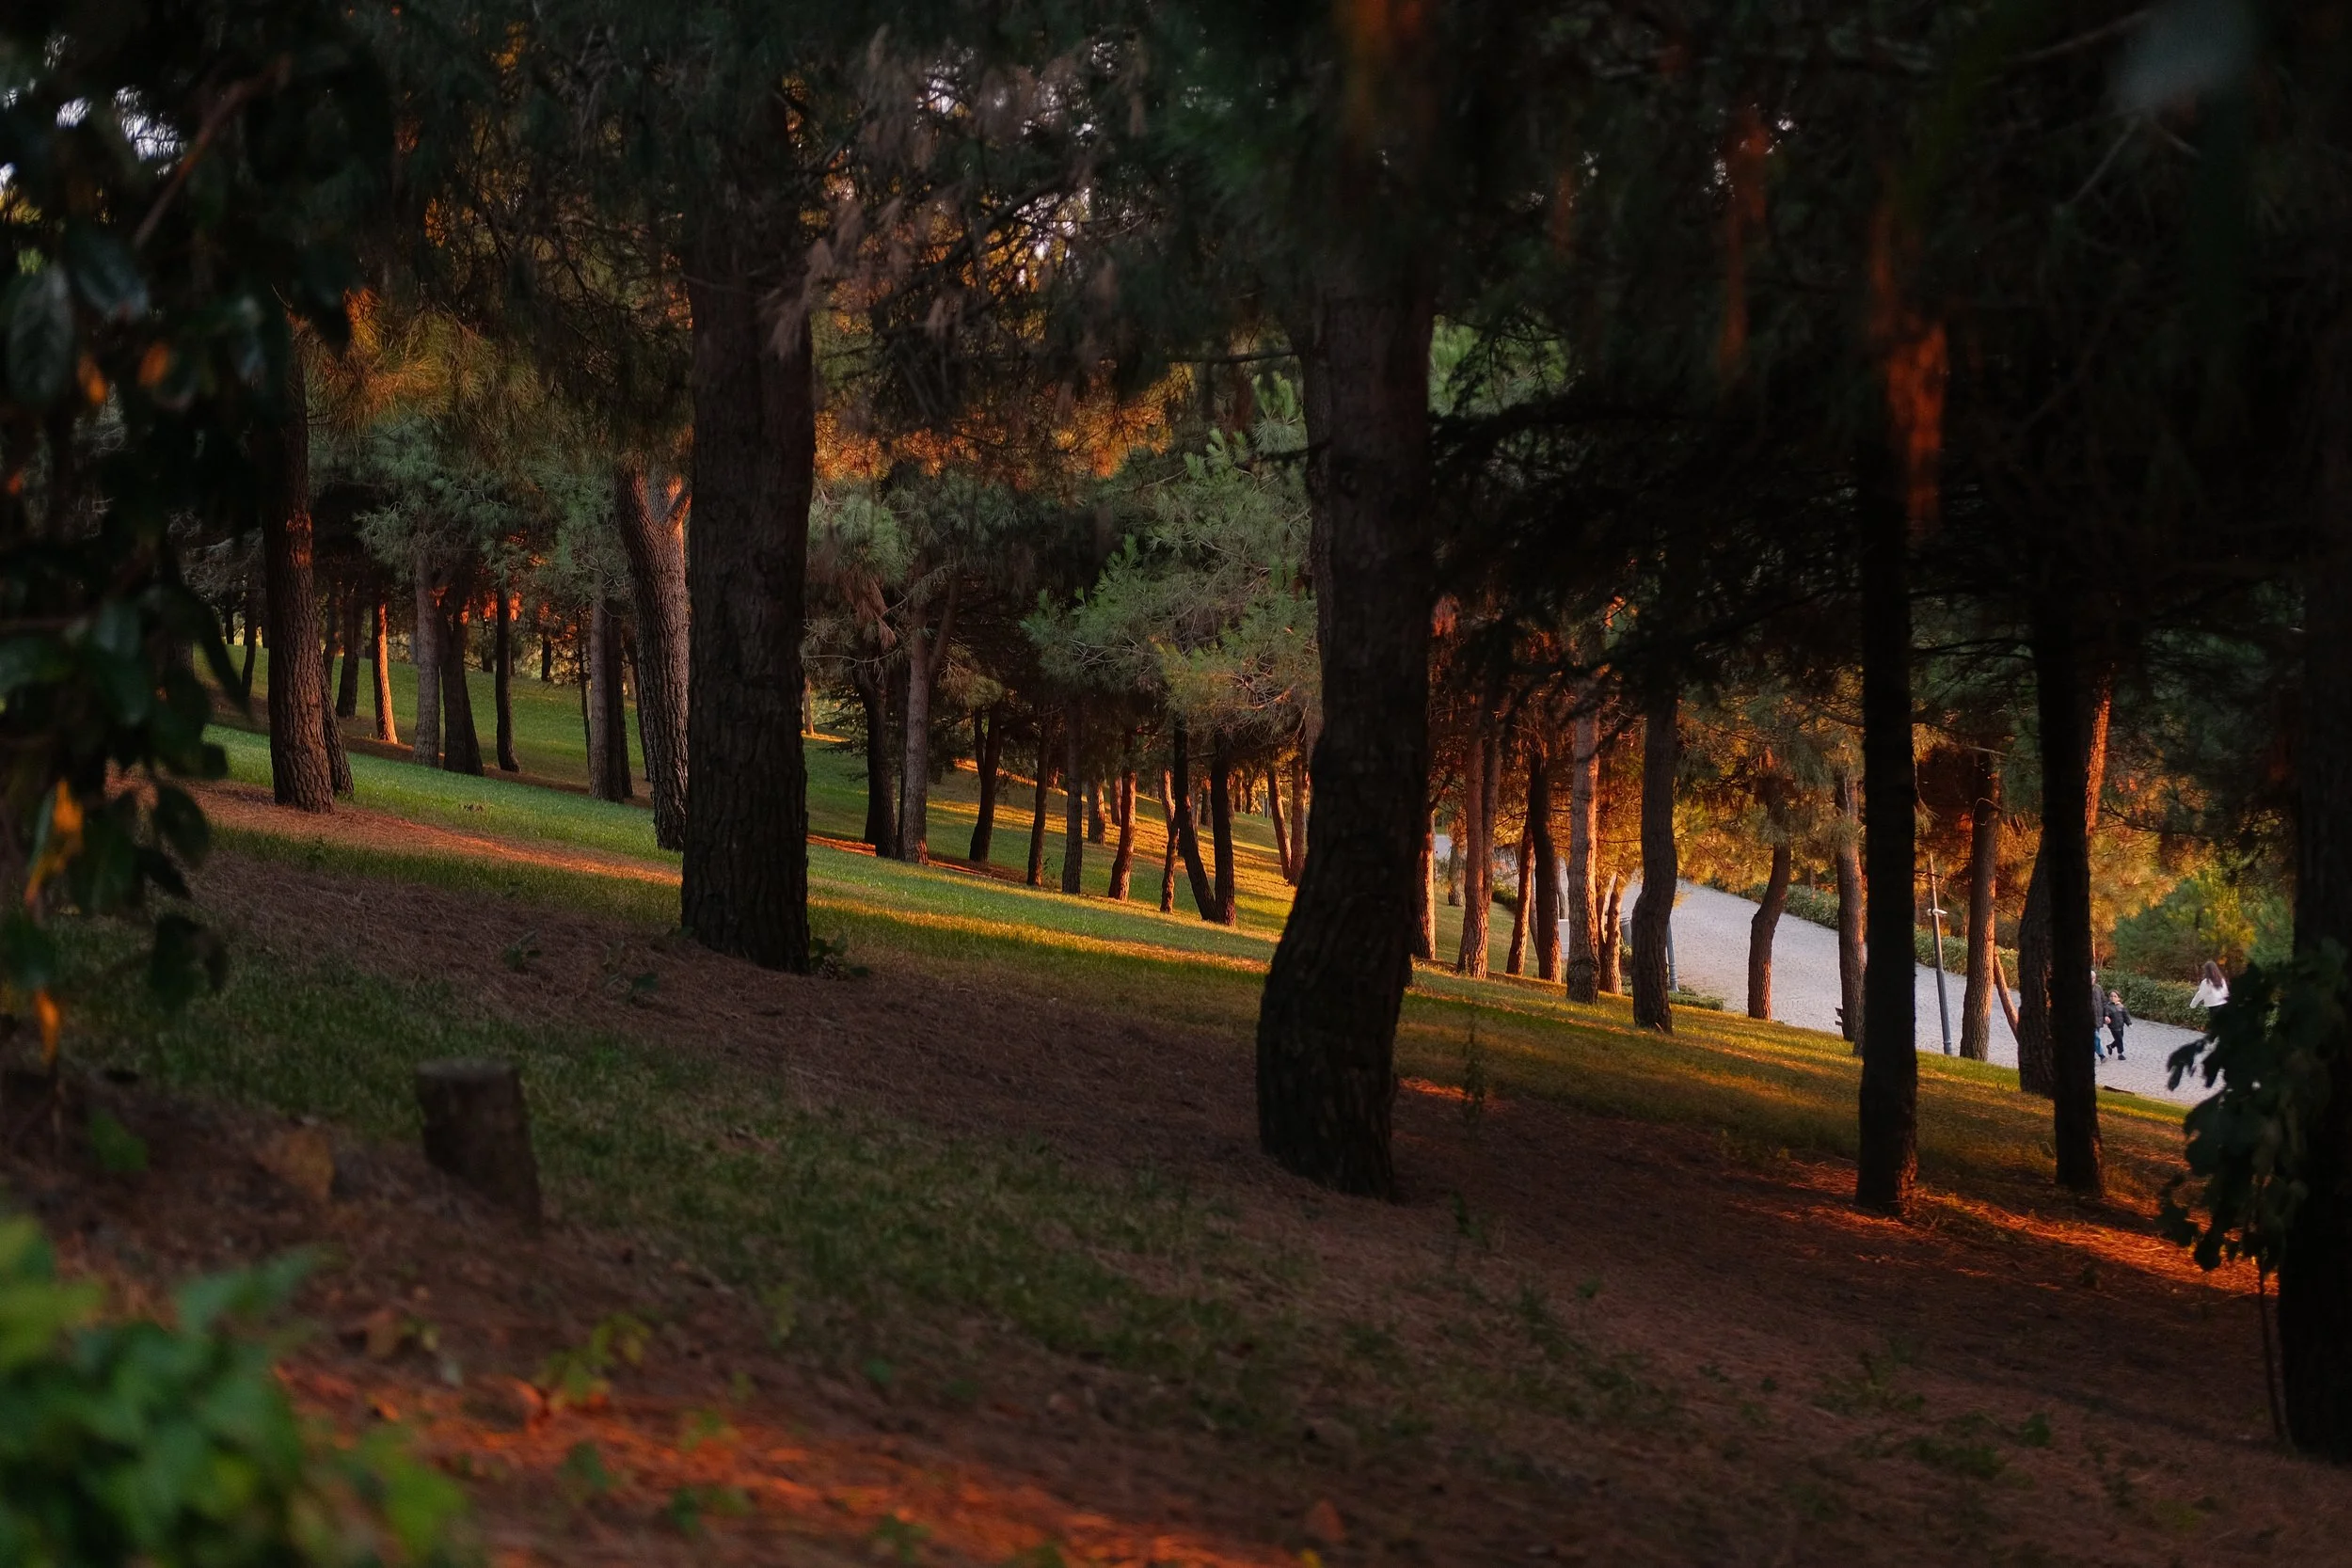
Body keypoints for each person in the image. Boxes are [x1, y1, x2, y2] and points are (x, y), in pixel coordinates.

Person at [2103, 989, 2132, 1062]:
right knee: (2119, 1039)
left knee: (2120, 1038)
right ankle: (2120, 1054)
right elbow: (2106, 1014)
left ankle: (2110, 1046)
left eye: (2115, 996)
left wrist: (2129, 1023)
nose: (2113, 998)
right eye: (2111, 996)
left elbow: (2125, 1015)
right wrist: (2106, 1018)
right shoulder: (2108, 1007)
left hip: (2121, 1025)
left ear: (2118, 998)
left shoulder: (2121, 1006)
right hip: (2113, 1026)